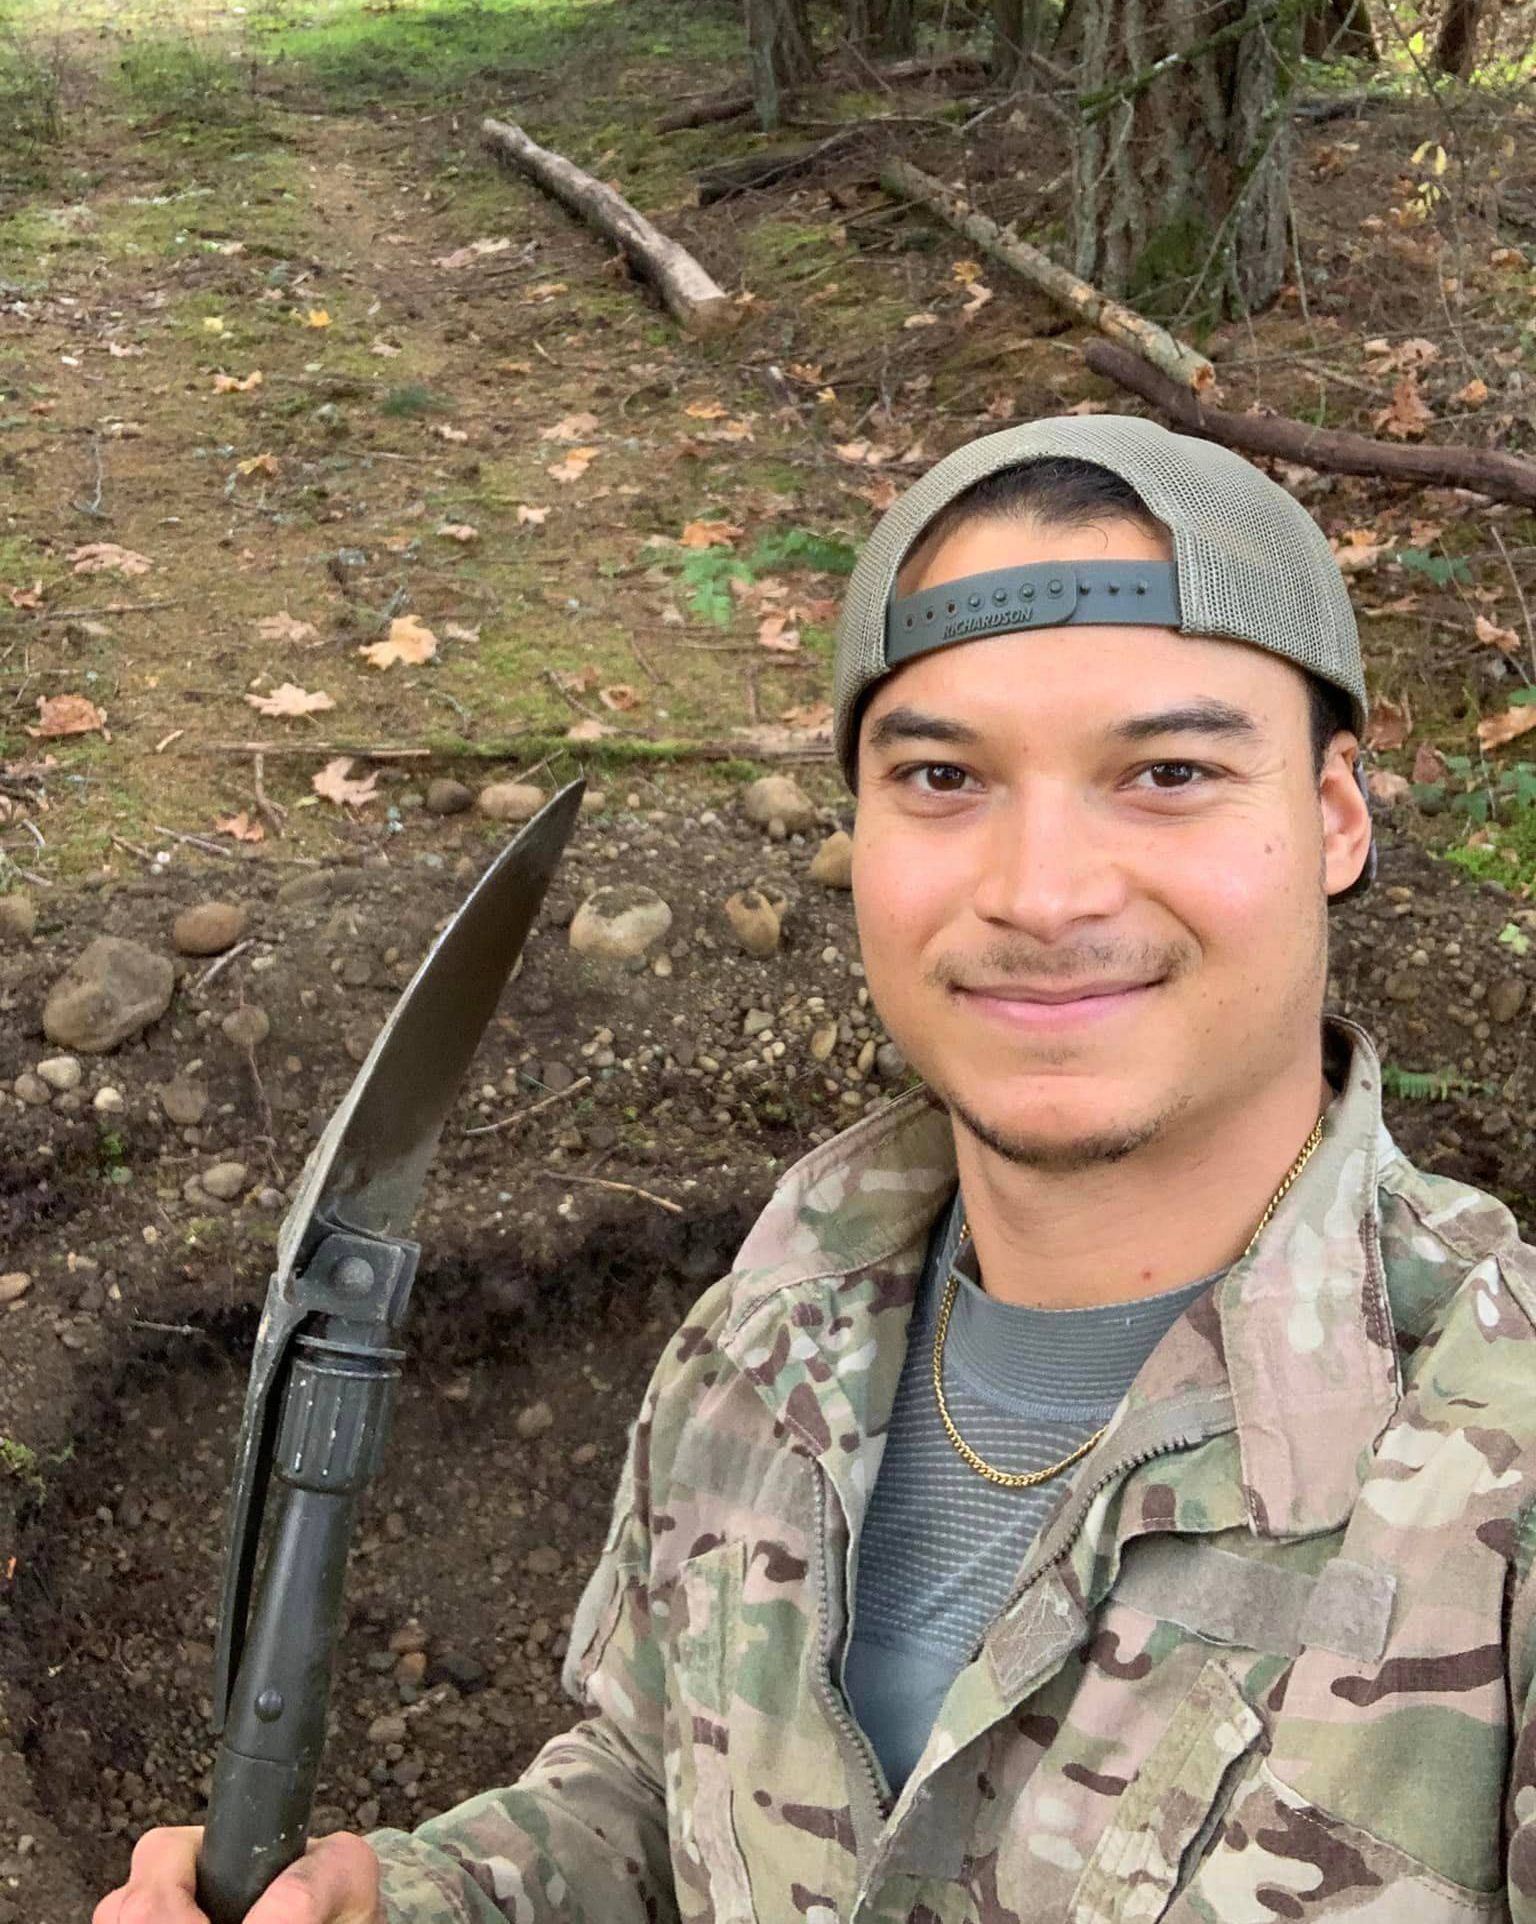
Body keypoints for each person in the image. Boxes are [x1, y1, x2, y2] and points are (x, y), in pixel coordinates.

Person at [99, 414, 1536, 1924]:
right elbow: (659, 1803)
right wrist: (420, 1902)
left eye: (1168, 772)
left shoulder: (1488, 1461)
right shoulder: (763, 1345)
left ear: (1332, 818)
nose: (1042, 894)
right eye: (942, 779)